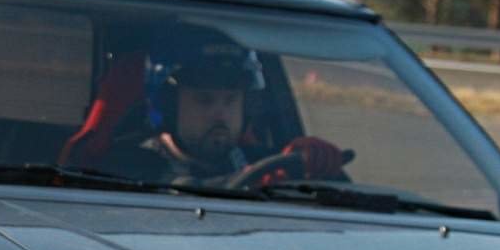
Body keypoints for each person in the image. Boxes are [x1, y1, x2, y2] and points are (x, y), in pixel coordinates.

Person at [101, 37, 346, 187]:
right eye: (204, 101)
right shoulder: (122, 170)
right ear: (167, 105)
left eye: (230, 101)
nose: (220, 115)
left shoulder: (269, 163)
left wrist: (317, 168)